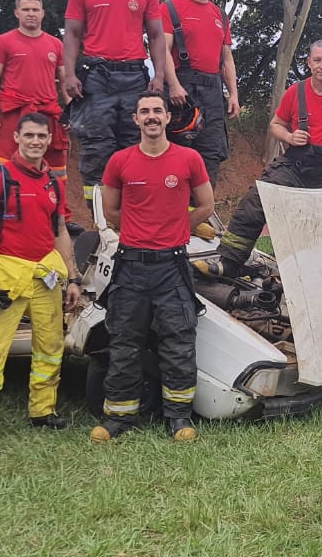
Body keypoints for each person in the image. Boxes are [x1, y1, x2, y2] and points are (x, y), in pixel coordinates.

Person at [90, 92, 214, 443]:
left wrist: (178, 229)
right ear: (136, 119)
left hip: (172, 267)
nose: (151, 116)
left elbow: (206, 204)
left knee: (178, 342)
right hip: (131, 266)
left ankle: (179, 417)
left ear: (167, 118)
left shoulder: (189, 159)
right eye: (144, 111)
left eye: (157, 110)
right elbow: (112, 211)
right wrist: (140, 230)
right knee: (124, 342)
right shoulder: (120, 161)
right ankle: (117, 417)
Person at [203, 40, 322, 278]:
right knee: (255, 202)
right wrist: (290, 136)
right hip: (294, 166)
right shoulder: (296, 92)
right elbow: (275, 125)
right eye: (317, 60)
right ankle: (229, 262)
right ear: (309, 63)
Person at [0, 113, 84, 448]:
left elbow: (59, 232)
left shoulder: (53, 183)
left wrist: (72, 278)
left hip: (44, 274)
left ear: (49, 140)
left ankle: (43, 411)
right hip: (6, 277)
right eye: (28, 135)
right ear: (16, 137)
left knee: (49, 347)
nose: (35, 141)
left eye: (41, 136)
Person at [61, 0, 175, 212]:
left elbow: (158, 36)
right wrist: (70, 73)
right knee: (96, 146)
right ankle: (101, 219)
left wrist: (159, 75)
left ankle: (135, 212)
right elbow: (72, 34)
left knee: (136, 144)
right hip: (96, 78)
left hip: (135, 77)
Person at [163, 0, 241, 183]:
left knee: (211, 155)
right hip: (183, 92)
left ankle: (200, 215)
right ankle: (173, 214)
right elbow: (162, 51)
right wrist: (174, 86)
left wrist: (234, 94)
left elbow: (226, 59)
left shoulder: (221, 16)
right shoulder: (170, 8)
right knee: (176, 155)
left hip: (213, 94)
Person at [0, 0, 69, 187]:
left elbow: (66, 81)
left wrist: (72, 111)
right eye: (26, 9)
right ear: (17, 13)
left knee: (55, 170)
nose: (31, 14)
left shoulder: (56, 44)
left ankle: (58, 214)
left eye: (35, 10)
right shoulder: (4, 41)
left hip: (48, 113)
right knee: (1, 163)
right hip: (15, 112)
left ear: (43, 13)